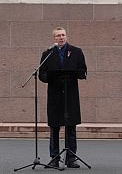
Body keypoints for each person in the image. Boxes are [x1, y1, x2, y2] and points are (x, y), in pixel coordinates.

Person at [39, 27, 87, 168]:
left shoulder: (76, 52)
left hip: (70, 95)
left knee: (70, 127)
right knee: (54, 127)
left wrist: (76, 74)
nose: (61, 37)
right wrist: (49, 77)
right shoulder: (47, 54)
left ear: (66, 36)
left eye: (63, 35)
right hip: (55, 96)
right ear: (54, 38)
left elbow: (83, 70)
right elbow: (42, 74)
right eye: (58, 35)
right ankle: (54, 157)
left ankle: (71, 158)